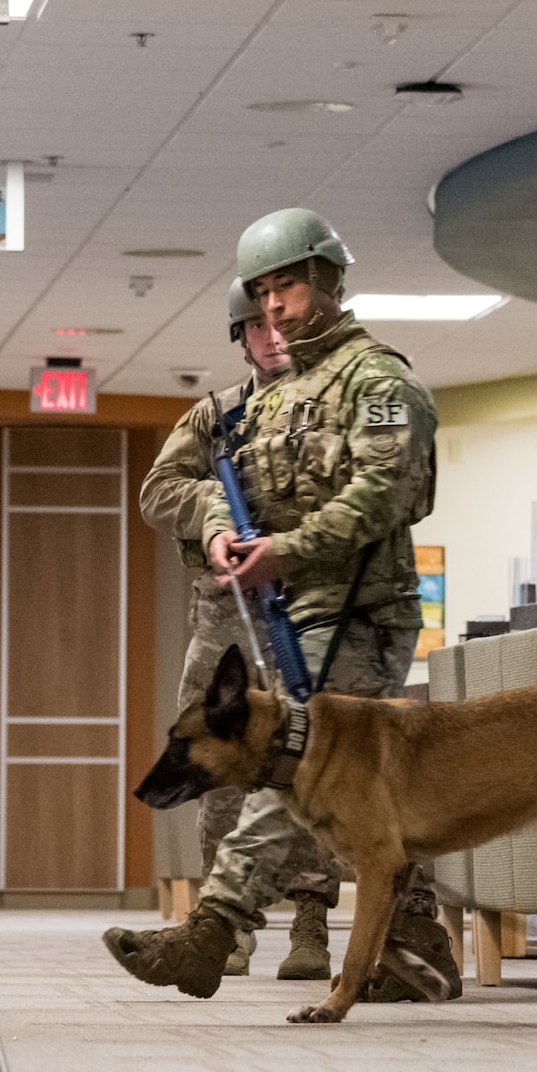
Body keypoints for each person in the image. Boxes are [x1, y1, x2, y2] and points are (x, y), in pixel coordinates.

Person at [105, 208, 460, 1003]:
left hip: (360, 616)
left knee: (300, 773)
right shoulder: (265, 401)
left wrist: (289, 550)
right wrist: (227, 531)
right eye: (262, 291)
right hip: (285, 619)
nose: (275, 306)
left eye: (290, 284)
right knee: (324, 786)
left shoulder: (379, 380)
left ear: (330, 280)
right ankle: (411, 941)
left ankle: (215, 928)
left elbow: (388, 490)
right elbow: (189, 491)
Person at [136, 280, 341, 981]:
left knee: (311, 766)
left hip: (307, 611)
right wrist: (214, 513)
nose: (272, 335)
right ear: (241, 335)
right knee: (211, 761)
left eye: (282, 322)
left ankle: (311, 919)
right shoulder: (217, 415)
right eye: (255, 325)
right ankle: (223, 922)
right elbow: (158, 489)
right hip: (226, 615)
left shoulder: (335, 411)